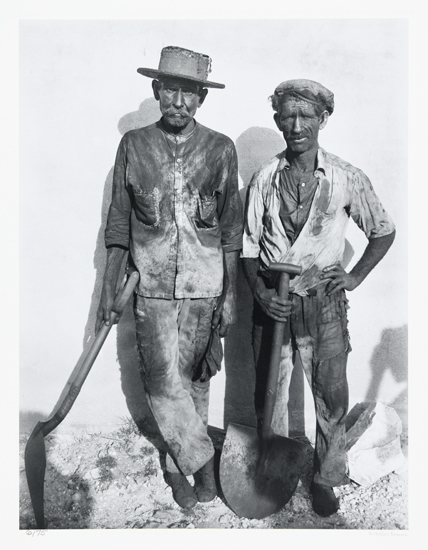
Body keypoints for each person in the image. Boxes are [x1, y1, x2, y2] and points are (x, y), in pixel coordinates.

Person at [96, 46, 243, 510]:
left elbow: (232, 229)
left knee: (196, 379)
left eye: (190, 93)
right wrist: (108, 291)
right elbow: (119, 223)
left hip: (206, 286)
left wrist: (231, 295)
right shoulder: (134, 145)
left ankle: (179, 467)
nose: (179, 101)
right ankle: (201, 461)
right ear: (157, 90)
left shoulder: (221, 148)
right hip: (152, 289)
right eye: (171, 90)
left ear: (202, 97)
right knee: (161, 381)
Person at [241, 79, 395, 517]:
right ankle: (269, 467)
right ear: (277, 121)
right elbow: (249, 247)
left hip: (322, 305)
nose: (296, 125)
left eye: (306, 116)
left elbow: (383, 231)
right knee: (267, 391)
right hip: (272, 303)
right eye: (287, 116)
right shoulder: (264, 178)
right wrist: (261, 292)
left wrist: (354, 276)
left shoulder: (345, 177)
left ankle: (326, 475)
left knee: (331, 396)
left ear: (323, 120)